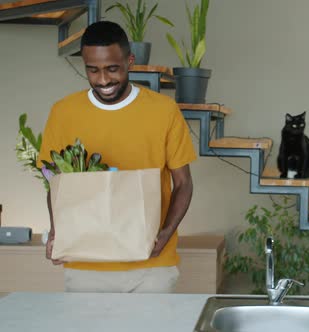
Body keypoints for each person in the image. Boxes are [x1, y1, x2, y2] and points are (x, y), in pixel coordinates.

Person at [37, 21, 196, 293]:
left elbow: (183, 183)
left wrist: (166, 232)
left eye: (112, 69)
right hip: (86, 265)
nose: (103, 80)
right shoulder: (63, 112)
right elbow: (55, 185)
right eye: (93, 70)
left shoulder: (164, 111)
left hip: (151, 267)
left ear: (129, 61)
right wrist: (56, 233)